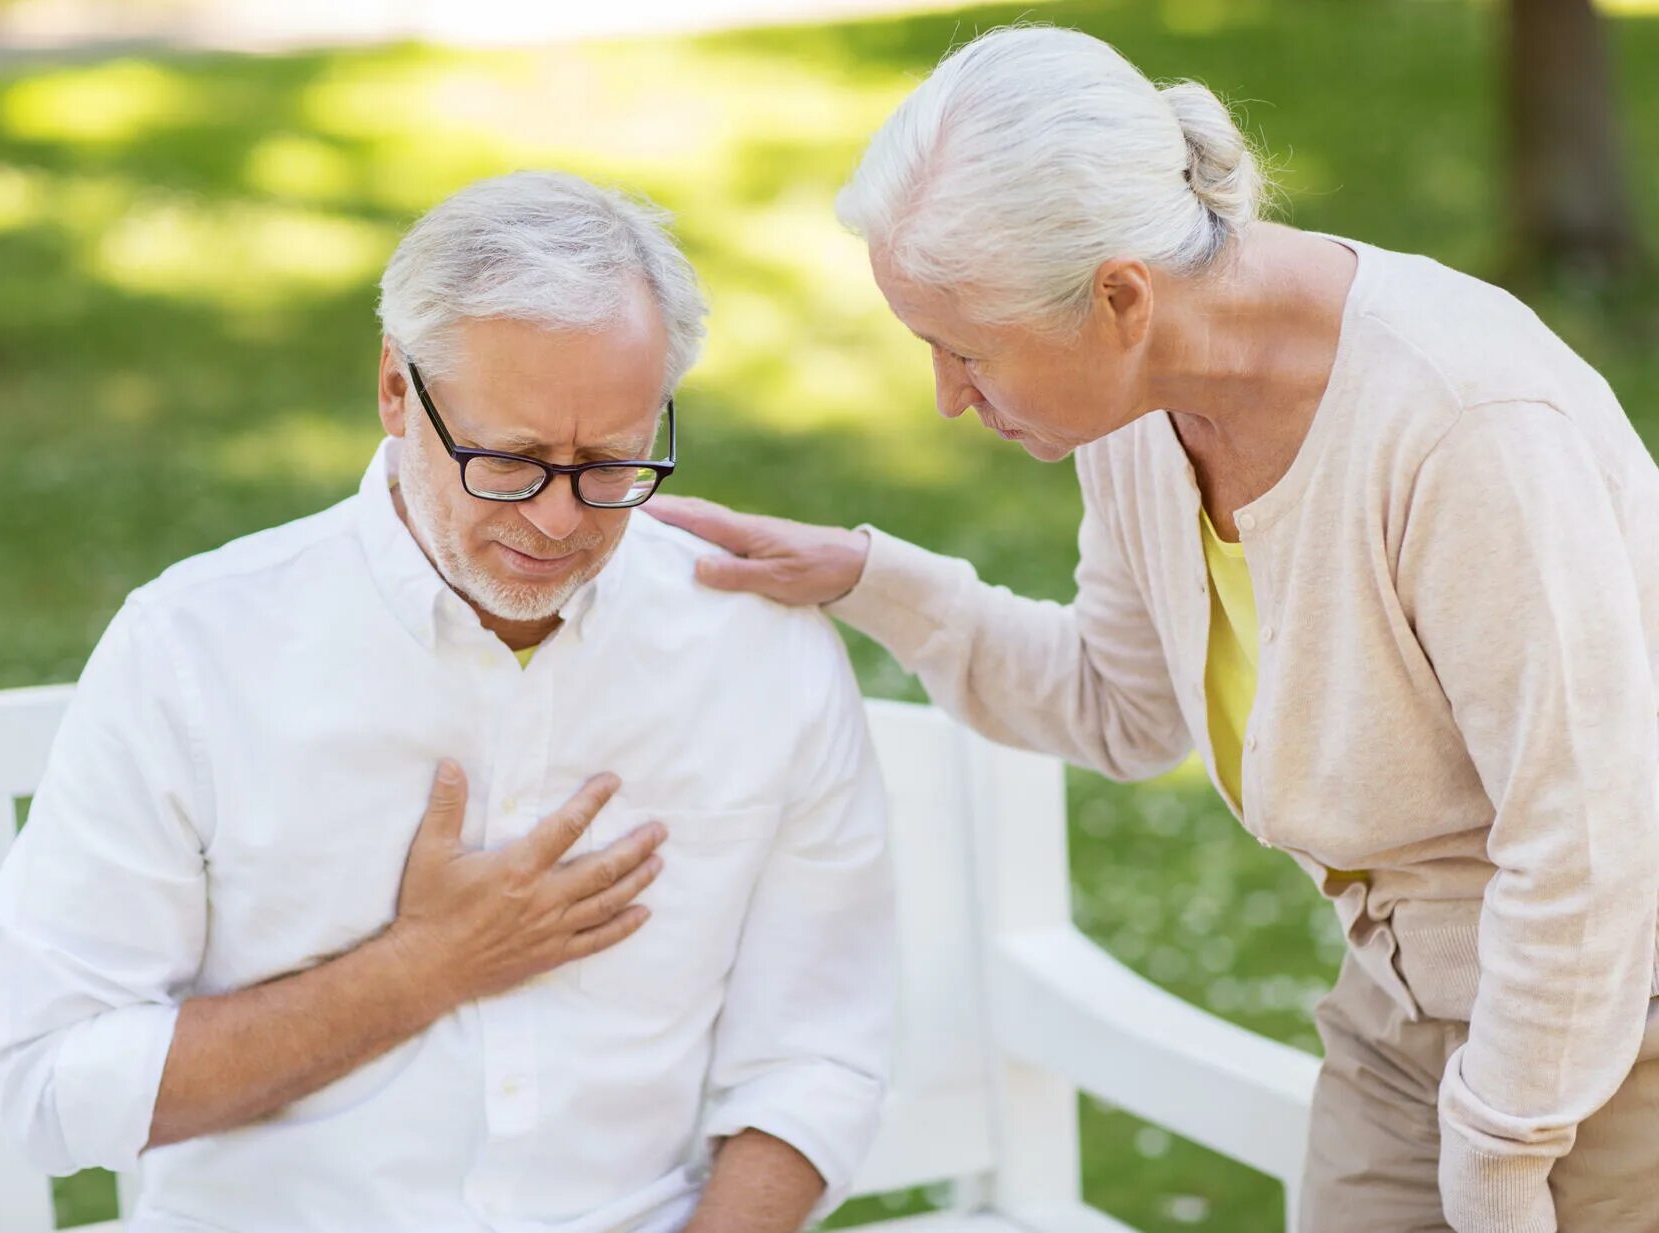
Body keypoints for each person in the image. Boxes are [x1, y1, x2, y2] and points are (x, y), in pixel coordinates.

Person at [648, 25, 1659, 1233]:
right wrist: (869, 578)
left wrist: (1499, 1163)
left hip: (1611, 1015)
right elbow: (1120, 707)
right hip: (1409, 1003)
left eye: (966, 350)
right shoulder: (1146, 412)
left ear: (1121, 297)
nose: (947, 399)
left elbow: (1591, 842)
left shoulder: (1465, 426)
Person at [0, 171, 895, 1233]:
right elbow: (49, 1091)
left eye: (607, 464)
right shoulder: (193, 648)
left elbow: (816, 1057)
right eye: (508, 461)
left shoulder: (757, 647)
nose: (558, 520)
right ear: (393, 390)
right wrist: (418, 971)